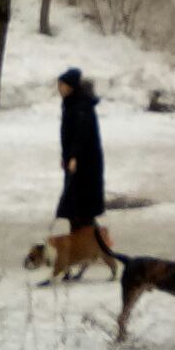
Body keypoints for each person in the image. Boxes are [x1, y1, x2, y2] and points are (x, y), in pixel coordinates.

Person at [55, 67, 105, 234]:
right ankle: (82, 241)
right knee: (75, 208)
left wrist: (74, 157)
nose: (59, 89)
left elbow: (81, 135)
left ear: (70, 86)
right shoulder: (71, 104)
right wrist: (66, 156)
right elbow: (68, 135)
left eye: (61, 85)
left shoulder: (81, 106)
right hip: (75, 162)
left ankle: (93, 242)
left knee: (81, 208)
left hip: (85, 164)